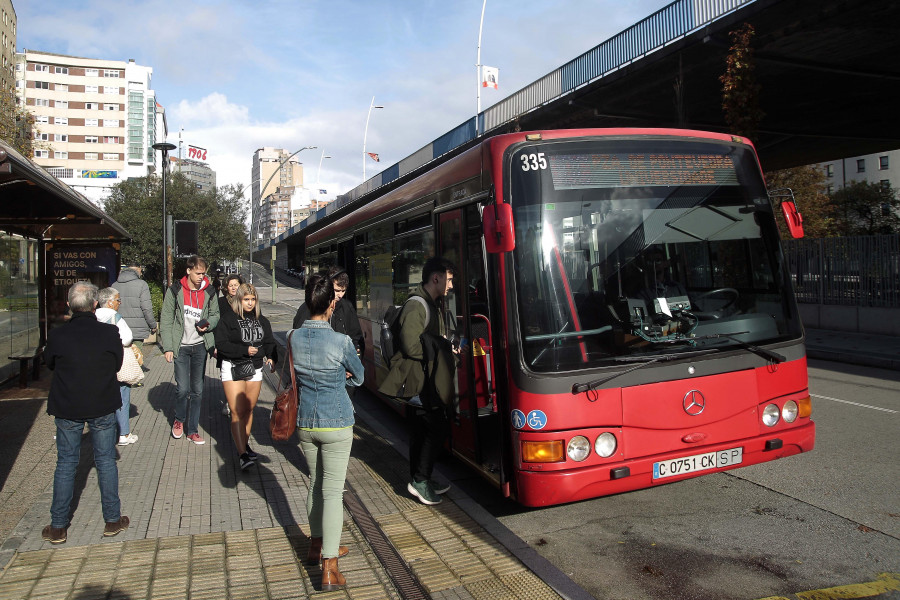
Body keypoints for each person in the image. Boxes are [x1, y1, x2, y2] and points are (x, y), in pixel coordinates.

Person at [42, 281, 130, 544]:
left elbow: (49, 364)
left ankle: (58, 526)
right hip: (102, 404)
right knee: (105, 461)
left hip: (67, 405)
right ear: (95, 305)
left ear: (69, 305)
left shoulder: (57, 335)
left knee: (66, 463)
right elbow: (117, 362)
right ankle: (112, 520)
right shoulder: (108, 333)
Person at [291, 274, 364, 591]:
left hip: (306, 421)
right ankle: (330, 568)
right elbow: (359, 377)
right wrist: (342, 377)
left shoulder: (293, 336)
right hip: (336, 420)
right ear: (331, 304)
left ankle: (315, 546)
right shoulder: (341, 342)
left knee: (315, 485)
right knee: (333, 493)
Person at [378, 256, 457, 506]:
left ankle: (422, 477)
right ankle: (420, 481)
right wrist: (443, 348)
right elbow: (411, 345)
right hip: (418, 381)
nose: (451, 285)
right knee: (435, 428)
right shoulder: (417, 305)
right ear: (437, 278)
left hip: (426, 377)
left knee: (424, 431)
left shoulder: (431, 303)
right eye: (450, 279)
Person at [214, 283, 276, 470]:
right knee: (236, 411)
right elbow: (221, 344)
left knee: (248, 410)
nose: (250, 303)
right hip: (233, 367)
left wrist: (272, 357)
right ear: (239, 300)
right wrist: (243, 350)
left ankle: (245, 445)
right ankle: (242, 454)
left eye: (253, 299)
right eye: (246, 299)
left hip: (255, 369)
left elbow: (269, 341)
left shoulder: (262, 320)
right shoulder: (228, 319)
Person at [160, 254, 220, 444]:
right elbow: (167, 319)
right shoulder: (175, 290)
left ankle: (192, 430)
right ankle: (179, 420)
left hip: (200, 346)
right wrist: (168, 347)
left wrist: (208, 323)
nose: (201, 276)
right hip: (181, 347)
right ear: (189, 271)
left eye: (203, 273)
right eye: (198, 273)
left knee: (198, 390)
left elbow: (215, 314)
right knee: (182, 389)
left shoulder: (209, 291)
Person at [293, 265, 364, 396]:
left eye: (343, 291)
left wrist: (351, 366)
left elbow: (356, 337)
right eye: (337, 290)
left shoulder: (347, 307)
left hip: (342, 381)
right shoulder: (308, 307)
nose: (340, 295)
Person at [96, 287, 139, 446]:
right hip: (116, 362)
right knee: (122, 395)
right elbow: (127, 338)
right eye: (118, 300)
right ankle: (124, 433)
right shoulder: (115, 317)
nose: (120, 303)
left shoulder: (93, 316)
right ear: (110, 302)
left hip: (98, 364)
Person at [217, 273, 245, 417]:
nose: (234, 288)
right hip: (226, 343)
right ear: (226, 288)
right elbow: (217, 323)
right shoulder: (221, 302)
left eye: (236, 285)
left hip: (242, 344)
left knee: (242, 373)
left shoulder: (246, 300)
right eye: (231, 285)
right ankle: (229, 401)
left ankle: (238, 401)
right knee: (227, 374)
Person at [115, 262, 157, 359]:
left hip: (119, 328)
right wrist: (153, 325)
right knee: (136, 359)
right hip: (137, 331)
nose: (141, 273)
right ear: (137, 269)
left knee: (122, 359)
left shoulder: (114, 285)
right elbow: (147, 308)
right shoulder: (142, 285)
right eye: (140, 270)